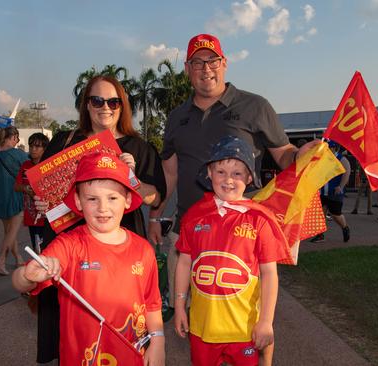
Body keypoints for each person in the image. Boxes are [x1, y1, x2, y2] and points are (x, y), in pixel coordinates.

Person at [147, 34, 316, 361]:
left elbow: (283, 154)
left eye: (212, 61)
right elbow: (170, 173)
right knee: (197, 313)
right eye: (197, 62)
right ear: (187, 69)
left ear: (224, 64)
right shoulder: (176, 117)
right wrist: (156, 216)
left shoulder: (255, 106)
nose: (205, 68)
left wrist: (300, 156)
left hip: (243, 234)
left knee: (252, 315)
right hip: (191, 228)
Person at [31, 75, 166, 364]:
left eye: (113, 101)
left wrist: (133, 180)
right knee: (68, 323)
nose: (106, 107)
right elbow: (47, 189)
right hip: (70, 245)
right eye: (97, 100)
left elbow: (156, 197)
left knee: (124, 317)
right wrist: (41, 201)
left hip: (121, 242)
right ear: (86, 105)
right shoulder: (65, 141)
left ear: (122, 106)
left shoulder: (138, 147)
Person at [13, 152, 165, 366]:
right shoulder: (68, 245)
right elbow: (19, 281)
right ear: (78, 201)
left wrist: (158, 342)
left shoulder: (143, 249)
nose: (103, 208)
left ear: (128, 199)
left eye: (112, 198)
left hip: (132, 356)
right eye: (92, 199)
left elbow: (152, 303)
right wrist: (28, 275)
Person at [173, 136, 289, 366]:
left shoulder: (259, 219)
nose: (228, 180)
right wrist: (179, 306)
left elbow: (269, 273)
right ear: (209, 172)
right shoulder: (195, 215)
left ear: (249, 177)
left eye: (237, 173)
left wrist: (266, 321)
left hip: (244, 330)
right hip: (203, 328)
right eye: (221, 172)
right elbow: (184, 263)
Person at [0, 126, 29, 275]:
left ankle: (18, 258)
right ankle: (1, 261)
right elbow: (30, 171)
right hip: (15, 196)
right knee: (12, 231)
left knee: (9, 231)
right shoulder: (18, 154)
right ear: (14, 137)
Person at [310, 141, 351, 243]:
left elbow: (347, 173)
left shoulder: (342, 159)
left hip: (335, 191)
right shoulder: (323, 158)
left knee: (335, 214)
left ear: (334, 148)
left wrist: (341, 186)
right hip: (322, 191)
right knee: (320, 214)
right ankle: (320, 235)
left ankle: (345, 227)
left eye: (329, 148)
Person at [14, 133, 49, 251]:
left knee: (48, 247)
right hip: (31, 216)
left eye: (37, 147)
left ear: (44, 148)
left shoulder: (48, 165)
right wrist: (26, 188)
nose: (33, 150)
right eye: (31, 146)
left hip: (47, 216)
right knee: (36, 247)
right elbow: (16, 186)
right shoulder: (25, 165)